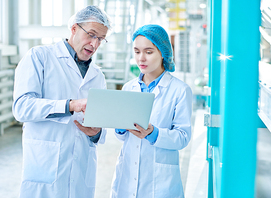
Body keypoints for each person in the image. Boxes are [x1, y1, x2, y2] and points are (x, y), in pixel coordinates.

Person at [12, 5, 111, 198]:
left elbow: (102, 127)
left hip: (81, 170)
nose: (95, 43)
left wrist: (96, 133)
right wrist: (70, 105)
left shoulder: (97, 76)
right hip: (45, 166)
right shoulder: (39, 57)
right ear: (74, 28)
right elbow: (21, 107)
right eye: (91, 34)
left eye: (100, 39)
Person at [110, 24, 192, 198]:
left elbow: (183, 137)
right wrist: (120, 128)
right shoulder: (128, 87)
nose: (141, 58)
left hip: (161, 182)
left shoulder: (179, 90)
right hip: (127, 177)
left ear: (162, 52)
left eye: (148, 52)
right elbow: (122, 138)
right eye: (137, 51)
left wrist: (154, 133)